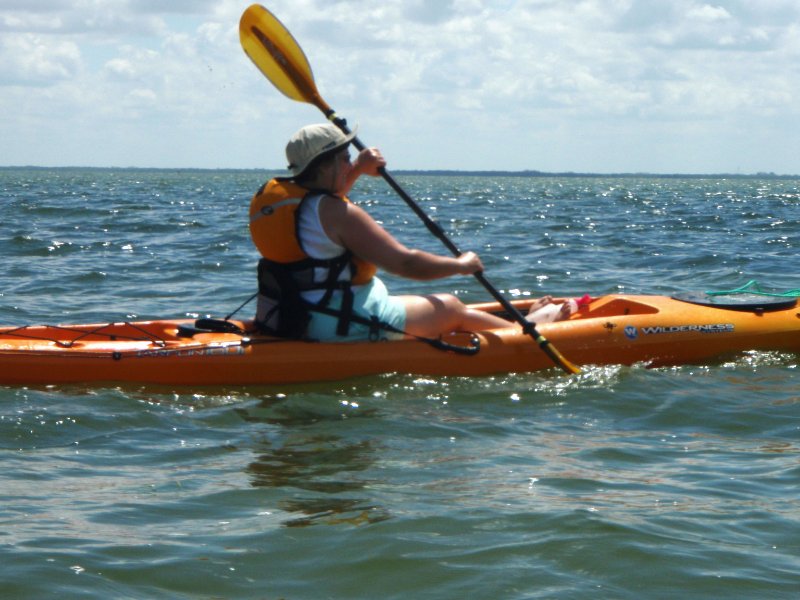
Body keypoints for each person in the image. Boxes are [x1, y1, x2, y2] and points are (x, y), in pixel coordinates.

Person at [249, 123, 569, 341]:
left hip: (295, 314)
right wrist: (462, 265)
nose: (349, 164)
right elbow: (406, 264)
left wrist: (358, 169)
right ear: (324, 165)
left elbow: (324, 207)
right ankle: (525, 334)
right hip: (339, 324)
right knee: (452, 307)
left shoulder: (290, 205)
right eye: (344, 159)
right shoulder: (340, 215)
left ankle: (511, 327)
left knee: (428, 306)